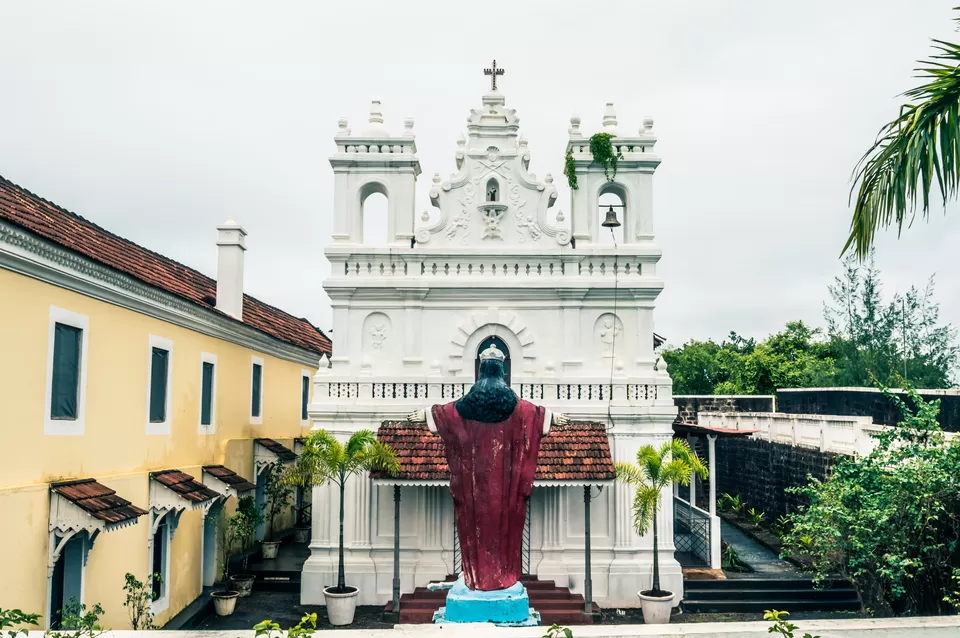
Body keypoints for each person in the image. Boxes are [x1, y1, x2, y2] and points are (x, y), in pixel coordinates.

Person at [407, 344, 568, 590]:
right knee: (505, 528)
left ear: (481, 372)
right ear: (502, 372)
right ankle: (503, 576)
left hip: (474, 488)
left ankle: (476, 576)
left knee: (474, 529)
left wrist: (428, 413)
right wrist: (550, 417)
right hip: (505, 489)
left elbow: (446, 413)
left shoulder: (467, 406)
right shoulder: (516, 407)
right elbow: (532, 414)